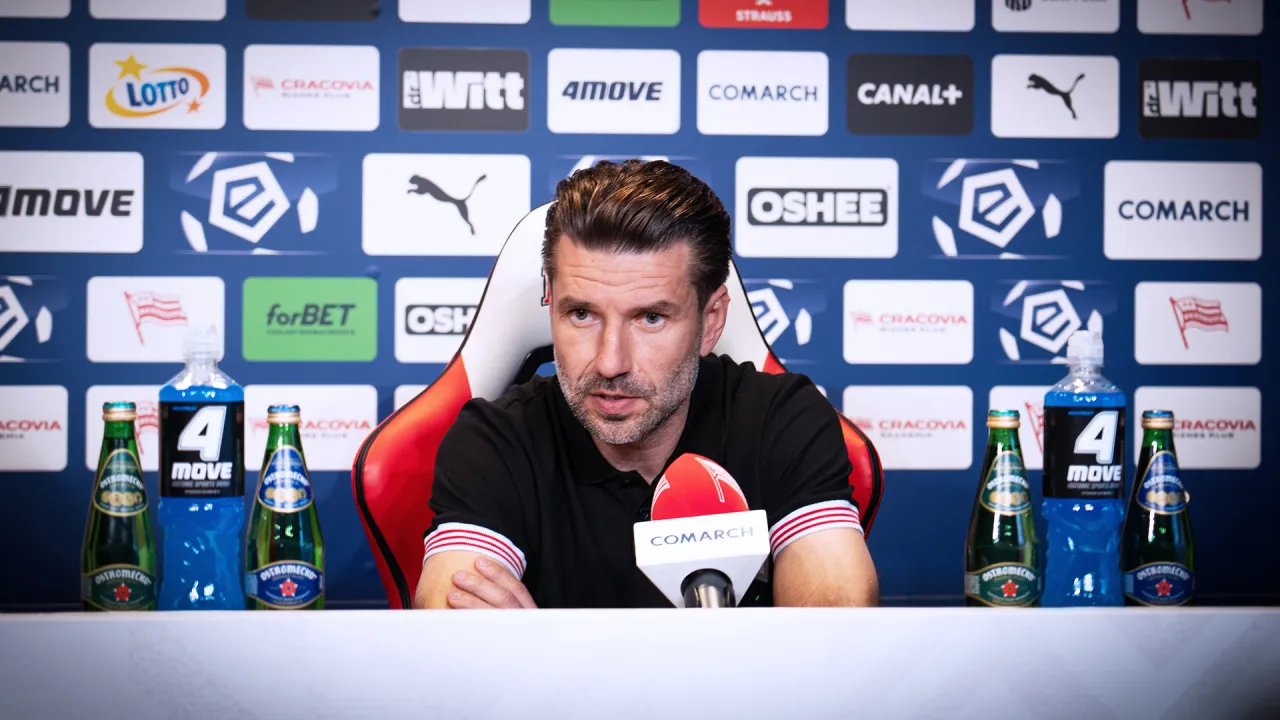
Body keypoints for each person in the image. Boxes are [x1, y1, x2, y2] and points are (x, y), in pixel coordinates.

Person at [413, 160, 879, 609]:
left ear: (711, 321)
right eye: (582, 314)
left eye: (650, 318)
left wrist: (536, 647)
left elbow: (835, 623)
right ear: (551, 306)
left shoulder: (782, 419)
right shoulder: (495, 440)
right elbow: (451, 623)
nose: (610, 362)